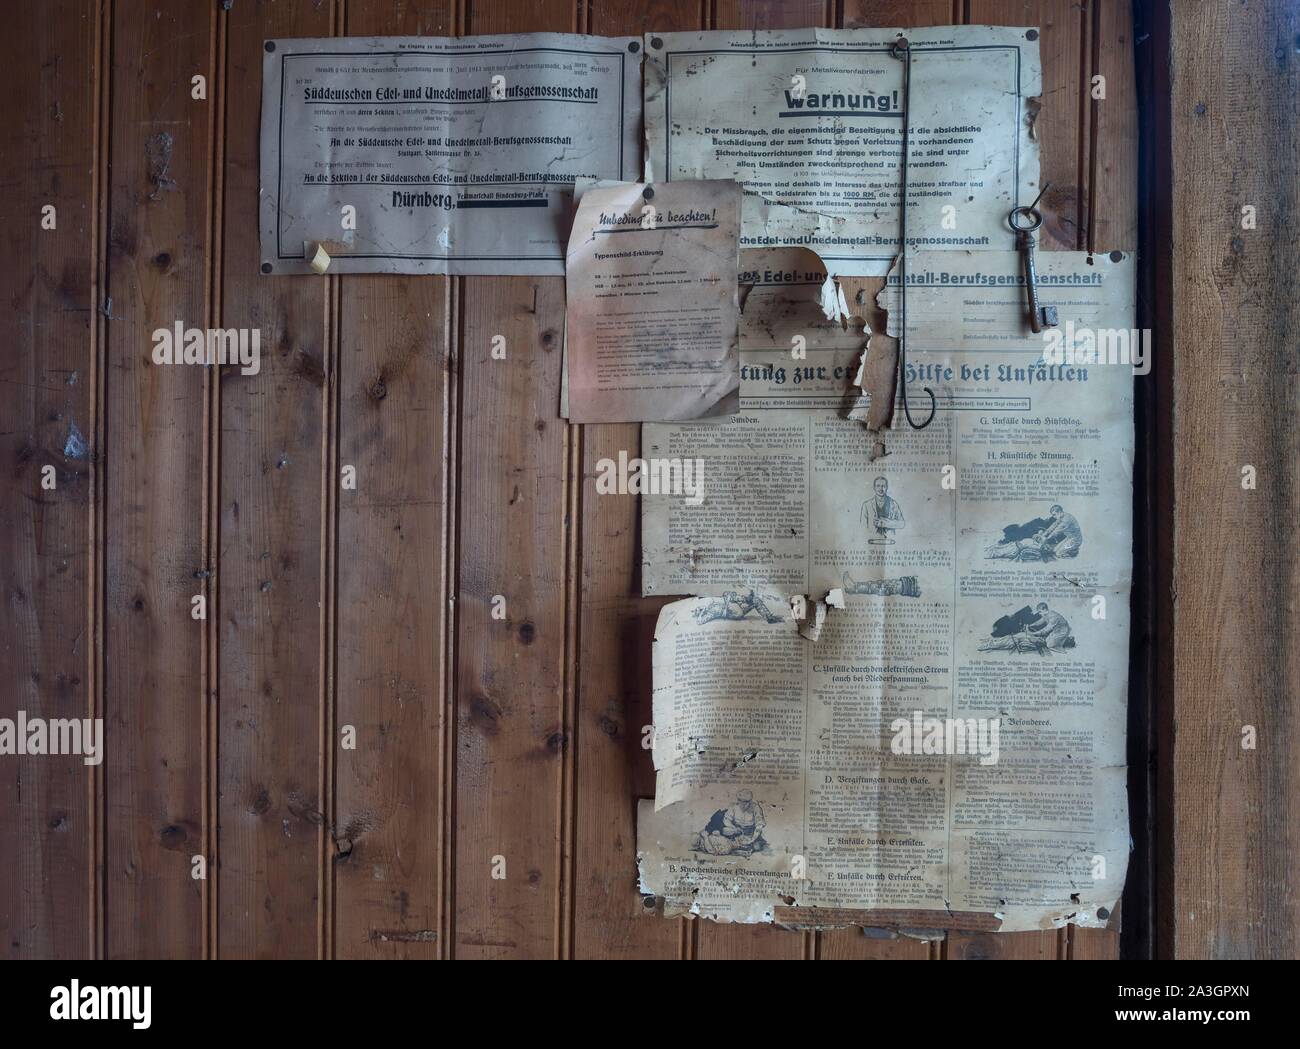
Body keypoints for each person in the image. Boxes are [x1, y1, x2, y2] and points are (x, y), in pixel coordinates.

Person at [694, 790, 767, 856]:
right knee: (725, 831)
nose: (744, 805)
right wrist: (734, 829)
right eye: (742, 802)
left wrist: (753, 838)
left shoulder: (756, 808)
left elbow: (759, 825)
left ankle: (744, 846)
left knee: (757, 846)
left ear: (750, 801)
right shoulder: (734, 807)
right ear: (738, 800)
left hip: (750, 833)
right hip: (736, 832)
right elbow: (726, 820)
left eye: (747, 802)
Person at [863, 476, 904, 544]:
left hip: (891, 541)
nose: (881, 489)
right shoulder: (866, 505)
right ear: (874, 487)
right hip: (871, 541)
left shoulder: (894, 504)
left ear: (887, 487)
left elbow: (902, 524)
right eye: (878, 486)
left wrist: (885, 523)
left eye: (883, 486)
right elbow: (862, 526)